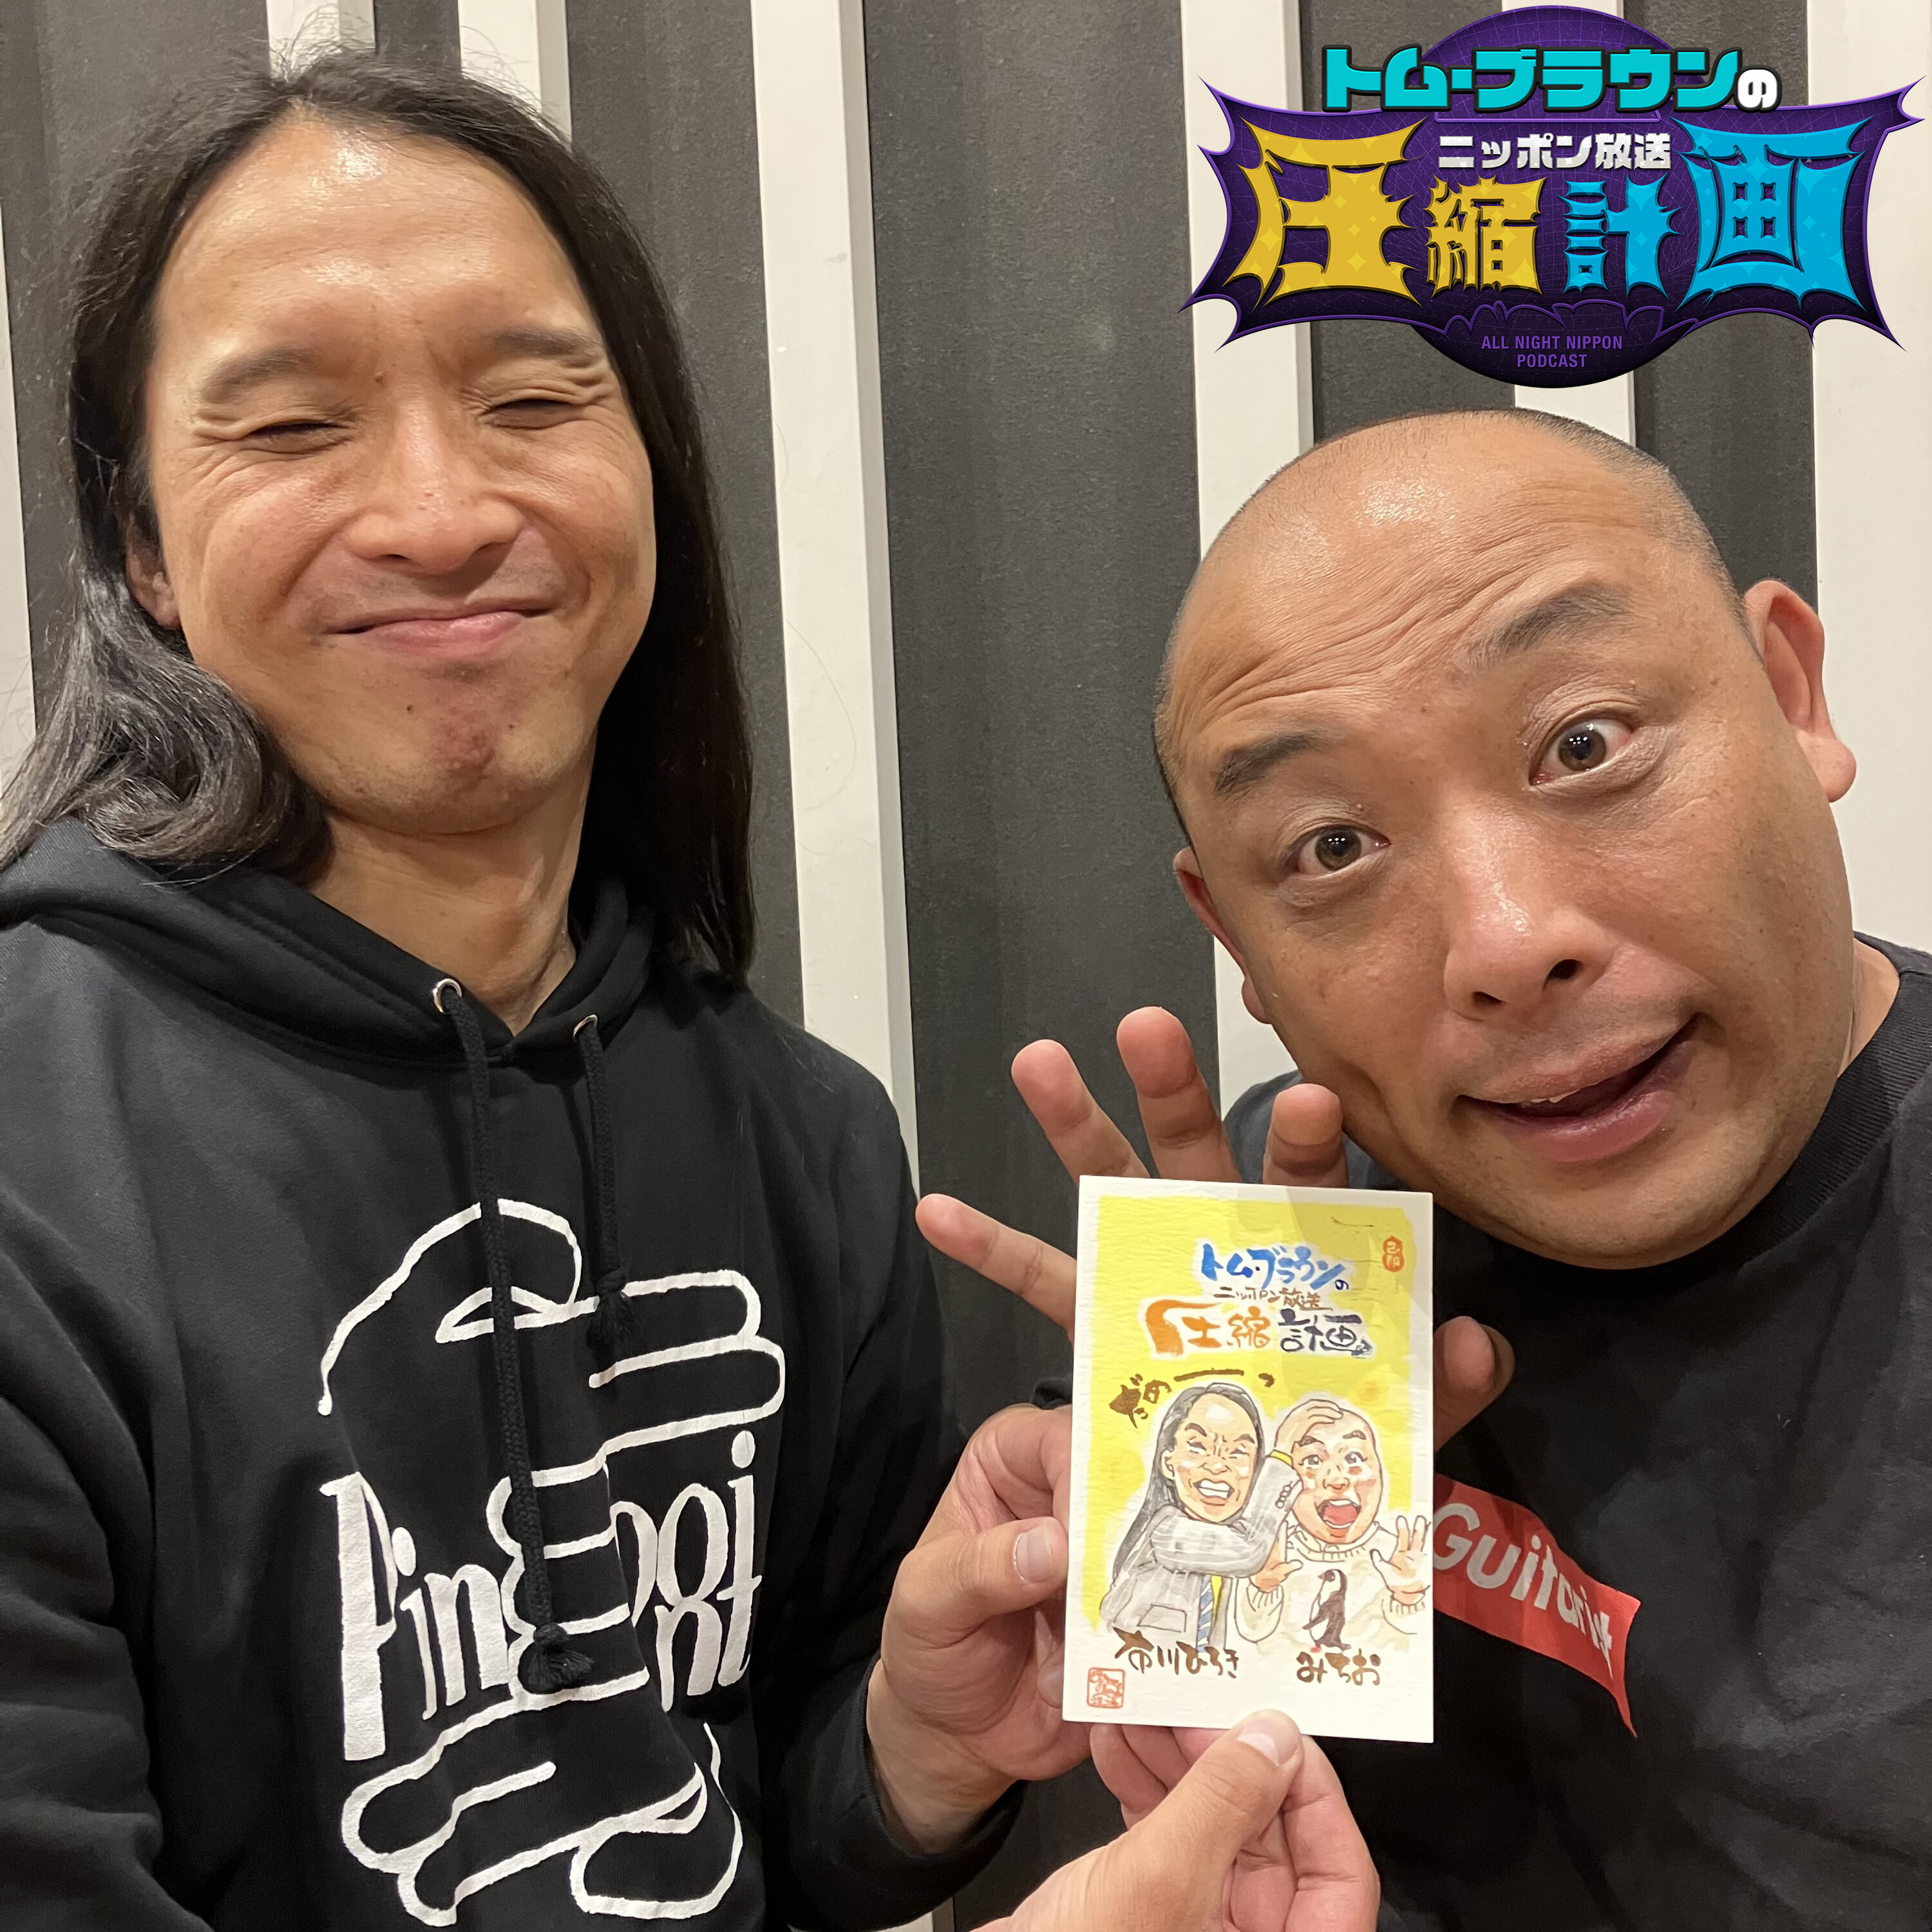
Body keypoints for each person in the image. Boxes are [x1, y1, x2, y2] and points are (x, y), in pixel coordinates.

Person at [0, 52, 1086, 1928]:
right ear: (142, 548)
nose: (437, 511)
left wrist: (912, 1745)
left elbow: (771, 1829)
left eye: (529, 400)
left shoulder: (802, 1135)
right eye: (292, 425)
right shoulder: (37, 1156)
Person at [920, 410, 1932, 1927]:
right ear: (1235, 937)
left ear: (1790, 694)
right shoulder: (1271, 1244)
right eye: (1331, 846)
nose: (1507, 943)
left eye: (1584, 743)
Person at [1099, 1380, 1292, 1648]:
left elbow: (1254, 1631)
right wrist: (1283, 1458)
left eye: (1238, 1452)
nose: (1217, 1465)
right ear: (1168, 1463)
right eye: (1198, 1446)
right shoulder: (1167, 1532)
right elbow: (1245, 1551)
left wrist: (1263, 1587)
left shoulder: (1224, 1553)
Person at [1233, 1397, 1428, 1658]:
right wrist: (1263, 1588)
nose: (1337, 1479)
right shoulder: (1273, 1552)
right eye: (1313, 1460)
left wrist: (1408, 1596)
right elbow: (1251, 1631)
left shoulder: (1399, 1557)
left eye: (1354, 1458)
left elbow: (1418, 1640)